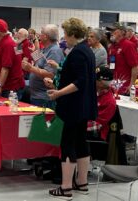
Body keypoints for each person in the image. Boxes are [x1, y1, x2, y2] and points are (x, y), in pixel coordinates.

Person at [46, 17, 97, 200]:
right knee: (81, 142)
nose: (64, 38)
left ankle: (66, 187)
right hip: (84, 106)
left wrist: (58, 93)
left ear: (74, 34)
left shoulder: (77, 53)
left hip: (73, 106)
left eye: (66, 34)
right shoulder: (88, 51)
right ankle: (82, 182)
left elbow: (79, 82)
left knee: (68, 144)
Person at [21, 24, 64, 108]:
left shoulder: (54, 51)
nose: (39, 35)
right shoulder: (45, 48)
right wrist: (31, 50)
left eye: (41, 33)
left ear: (45, 37)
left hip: (44, 98)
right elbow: (37, 61)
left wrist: (30, 68)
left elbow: (50, 74)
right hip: (37, 96)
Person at [107, 22, 138, 95]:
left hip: (124, 86)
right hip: (113, 84)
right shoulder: (112, 46)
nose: (111, 33)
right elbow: (111, 64)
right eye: (111, 31)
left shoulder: (128, 45)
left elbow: (135, 66)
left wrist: (131, 85)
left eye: (114, 31)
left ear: (122, 32)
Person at [87, 67, 116, 141]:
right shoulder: (94, 91)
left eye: (95, 78)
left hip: (95, 133)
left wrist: (77, 125)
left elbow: (97, 125)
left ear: (101, 82)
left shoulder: (109, 102)